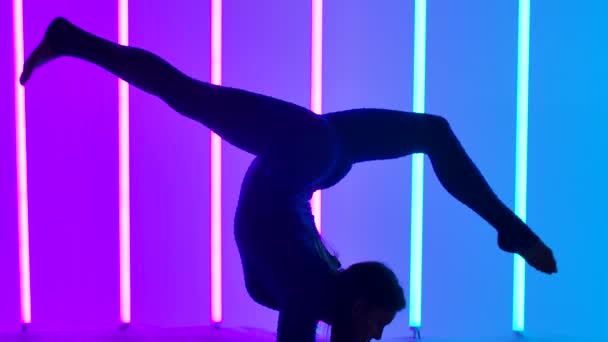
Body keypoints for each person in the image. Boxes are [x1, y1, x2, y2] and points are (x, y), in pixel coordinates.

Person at [20, 17, 557, 342]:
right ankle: (72, 39)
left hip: (313, 159)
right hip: (304, 153)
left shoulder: (312, 290)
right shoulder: (309, 290)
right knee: (186, 94)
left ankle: (513, 231)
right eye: (380, 325)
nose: (376, 335)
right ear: (357, 307)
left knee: (434, 133)